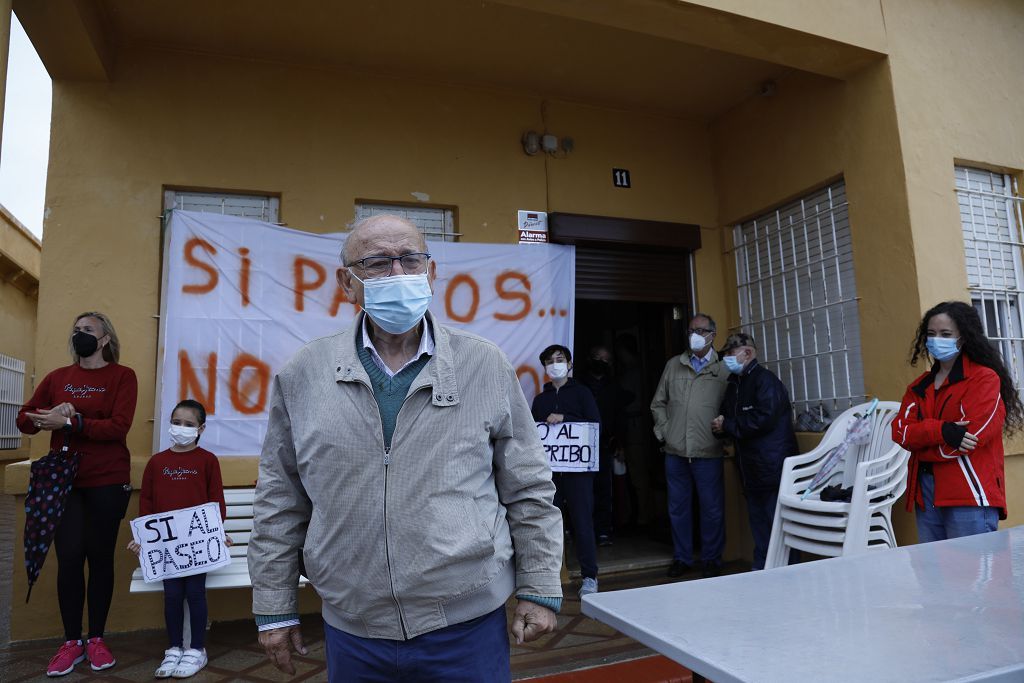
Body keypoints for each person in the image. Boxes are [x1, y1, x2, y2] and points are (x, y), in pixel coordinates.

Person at [248, 214, 563, 682]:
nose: (398, 274)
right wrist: (274, 608)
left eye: (410, 259)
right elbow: (280, 496)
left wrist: (538, 585)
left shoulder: (484, 364)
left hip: (466, 625)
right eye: (376, 262)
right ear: (346, 284)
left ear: (431, 273)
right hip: (353, 629)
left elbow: (529, 486)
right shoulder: (303, 374)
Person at [17, 312, 137, 677]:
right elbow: (24, 419)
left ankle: (97, 639)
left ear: (104, 339)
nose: (79, 334)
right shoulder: (58, 378)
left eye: (88, 330)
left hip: (107, 479)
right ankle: (72, 642)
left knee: (100, 558)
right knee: (69, 557)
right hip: (62, 483)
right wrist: (48, 413)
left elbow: (118, 427)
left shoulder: (122, 376)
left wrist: (71, 422)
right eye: (76, 329)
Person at [891, 301, 1020, 542]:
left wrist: (923, 443)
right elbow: (900, 432)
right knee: (934, 576)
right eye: (931, 334)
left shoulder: (984, 379)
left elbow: (972, 437)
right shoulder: (920, 386)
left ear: (964, 337)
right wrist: (942, 430)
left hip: (968, 494)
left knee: (974, 575)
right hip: (926, 494)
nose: (936, 339)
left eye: (945, 334)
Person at [128, 399, 229, 679]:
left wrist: (216, 532)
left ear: (201, 428)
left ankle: (197, 649)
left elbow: (216, 501)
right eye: (176, 422)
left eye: (188, 424)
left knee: (195, 594)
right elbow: (146, 503)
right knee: (172, 595)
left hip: (197, 547)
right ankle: (174, 648)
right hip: (166, 548)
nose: (181, 429)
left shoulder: (208, 461)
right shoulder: (157, 463)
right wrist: (143, 538)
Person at [651, 314, 729, 578]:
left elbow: (731, 406)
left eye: (701, 330)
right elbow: (658, 403)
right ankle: (682, 557)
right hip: (675, 452)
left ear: (712, 335)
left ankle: (711, 558)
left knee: (712, 509)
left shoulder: (723, 368)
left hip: (708, 451)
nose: (694, 334)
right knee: (678, 508)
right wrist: (664, 432)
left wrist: (726, 433)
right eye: (691, 330)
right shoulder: (674, 365)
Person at [711, 332, 797, 571]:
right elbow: (729, 417)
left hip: (771, 468)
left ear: (747, 353)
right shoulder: (734, 385)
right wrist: (721, 427)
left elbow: (763, 419)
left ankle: (788, 574)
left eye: (729, 354)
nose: (726, 359)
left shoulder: (765, 381)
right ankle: (763, 574)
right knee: (760, 527)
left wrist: (728, 425)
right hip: (750, 470)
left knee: (778, 527)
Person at [532, 344, 602, 596]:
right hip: (550, 475)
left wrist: (566, 420)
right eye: (549, 361)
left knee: (583, 522)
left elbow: (595, 426)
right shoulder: (540, 400)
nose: (554, 364)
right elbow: (533, 435)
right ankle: (549, 577)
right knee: (549, 525)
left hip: (579, 473)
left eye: (559, 359)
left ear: (570, 364)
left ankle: (589, 576)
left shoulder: (582, 393)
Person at [578, 345, 631, 546]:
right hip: (580, 445)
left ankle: (603, 531)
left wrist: (620, 442)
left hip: (604, 444)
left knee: (604, 489)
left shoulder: (613, 386)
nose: (601, 362)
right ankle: (581, 531)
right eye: (597, 357)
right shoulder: (578, 383)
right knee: (581, 491)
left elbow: (620, 417)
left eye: (606, 359)